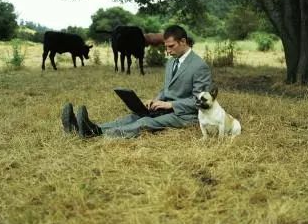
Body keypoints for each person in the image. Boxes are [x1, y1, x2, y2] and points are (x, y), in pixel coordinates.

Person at [61, 25, 212, 139]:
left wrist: (170, 104)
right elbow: (167, 89)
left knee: (145, 122)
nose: (168, 51)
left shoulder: (199, 66)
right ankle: (83, 128)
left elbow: (202, 102)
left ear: (183, 41)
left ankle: (94, 133)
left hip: (185, 116)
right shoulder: (172, 61)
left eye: (171, 46)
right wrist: (157, 100)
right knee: (134, 116)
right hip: (166, 108)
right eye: (166, 47)